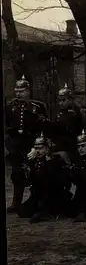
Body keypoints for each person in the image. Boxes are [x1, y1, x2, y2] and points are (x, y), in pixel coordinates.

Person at [4, 75, 48, 213]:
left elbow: (43, 129)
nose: (18, 93)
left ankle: (36, 202)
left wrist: (37, 148)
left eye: (21, 91)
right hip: (16, 146)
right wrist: (9, 146)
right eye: (16, 90)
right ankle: (16, 202)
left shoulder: (38, 107)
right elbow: (6, 127)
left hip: (31, 145)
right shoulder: (10, 106)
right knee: (17, 175)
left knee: (35, 173)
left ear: (28, 91)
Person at [17, 132, 72, 223]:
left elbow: (54, 180)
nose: (37, 151)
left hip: (53, 194)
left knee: (42, 211)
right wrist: (28, 162)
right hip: (38, 195)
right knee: (22, 211)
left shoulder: (55, 161)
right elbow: (26, 180)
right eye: (36, 148)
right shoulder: (35, 162)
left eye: (40, 148)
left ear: (47, 150)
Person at [45, 83, 86, 158]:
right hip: (59, 143)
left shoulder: (79, 112)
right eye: (59, 100)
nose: (61, 103)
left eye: (63, 100)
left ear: (70, 99)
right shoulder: (57, 113)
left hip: (74, 144)